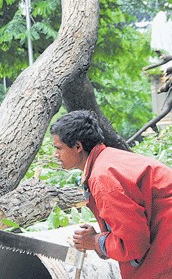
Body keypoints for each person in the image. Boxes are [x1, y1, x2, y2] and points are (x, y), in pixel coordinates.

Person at [50, 110, 172, 278]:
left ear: (78, 147)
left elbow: (134, 245)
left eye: (58, 148)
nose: (55, 155)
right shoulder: (107, 161)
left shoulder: (103, 178)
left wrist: (94, 241)